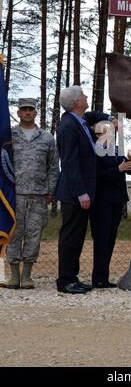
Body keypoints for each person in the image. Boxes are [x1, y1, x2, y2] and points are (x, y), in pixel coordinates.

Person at [55, 86, 114, 294]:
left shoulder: (79, 120)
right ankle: (65, 280)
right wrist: (81, 192)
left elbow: (93, 114)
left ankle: (72, 277)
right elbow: (69, 163)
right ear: (77, 103)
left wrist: (109, 117)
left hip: (81, 191)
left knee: (77, 236)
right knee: (70, 237)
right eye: (83, 96)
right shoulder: (69, 126)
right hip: (74, 193)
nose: (87, 97)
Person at [6, 98, 59, 289]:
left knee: (34, 234)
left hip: (38, 195)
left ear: (35, 112)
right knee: (14, 234)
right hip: (14, 194)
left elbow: (53, 167)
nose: (27, 112)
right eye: (23, 110)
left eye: (31, 109)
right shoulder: (9, 136)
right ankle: (13, 276)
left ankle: (27, 275)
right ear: (18, 113)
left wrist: (51, 191)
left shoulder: (46, 138)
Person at [89, 123, 131, 288]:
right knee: (101, 239)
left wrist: (130, 161)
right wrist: (118, 169)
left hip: (117, 199)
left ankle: (104, 277)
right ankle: (98, 278)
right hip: (101, 200)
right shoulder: (94, 150)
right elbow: (96, 176)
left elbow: (129, 170)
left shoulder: (116, 149)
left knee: (110, 239)